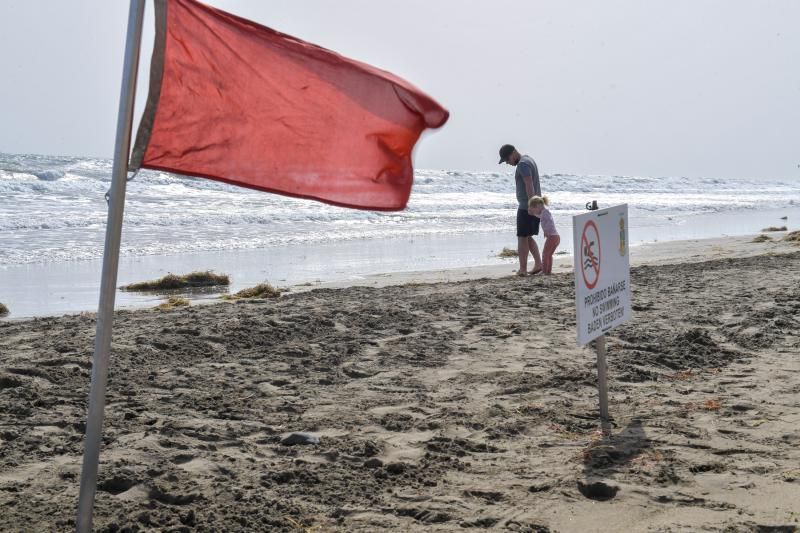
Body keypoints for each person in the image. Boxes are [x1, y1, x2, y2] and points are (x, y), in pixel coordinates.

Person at [498, 144, 542, 275]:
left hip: (527, 206)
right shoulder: (529, 159)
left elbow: (529, 184)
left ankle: (523, 270)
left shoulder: (523, 164)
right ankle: (539, 264)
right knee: (527, 237)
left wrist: (531, 205)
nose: (507, 163)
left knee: (522, 237)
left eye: (507, 160)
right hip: (534, 203)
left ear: (513, 154)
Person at [527, 195, 560, 275]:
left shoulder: (545, 213)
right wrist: (533, 213)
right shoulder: (543, 212)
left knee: (545, 254)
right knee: (549, 255)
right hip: (555, 237)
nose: (534, 212)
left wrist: (546, 231)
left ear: (537, 206)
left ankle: (544, 271)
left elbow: (549, 221)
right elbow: (539, 216)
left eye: (533, 209)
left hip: (552, 236)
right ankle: (548, 271)